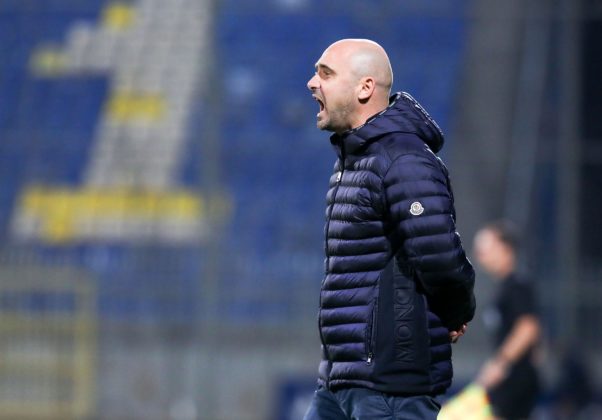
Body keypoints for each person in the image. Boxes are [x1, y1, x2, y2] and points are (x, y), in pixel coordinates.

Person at [303, 38, 476, 420]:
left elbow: (440, 256)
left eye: (326, 74)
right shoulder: (356, 159)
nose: (312, 83)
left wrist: (457, 311)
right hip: (342, 379)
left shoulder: (402, 158)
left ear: (365, 87)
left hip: (390, 385)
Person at [473, 220, 541, 419]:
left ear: (505, 249)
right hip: (511, 379)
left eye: (486, 249)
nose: (480, 256)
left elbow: (528, 327)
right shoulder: (503, 288)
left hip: (514, 380)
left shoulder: (517, 285)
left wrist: (500, 364)